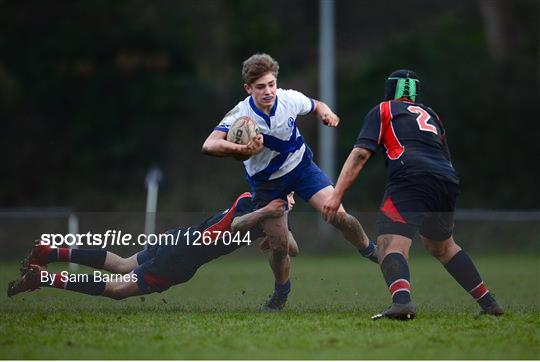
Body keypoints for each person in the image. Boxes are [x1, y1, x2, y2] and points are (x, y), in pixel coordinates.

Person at [322, 69, 504, 320]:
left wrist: (336, 194)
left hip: (411, 177)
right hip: (446, 179)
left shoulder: (383, 109)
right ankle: (489, 302)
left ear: (389, 91)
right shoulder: (431, 114)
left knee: (388, 245)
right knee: (443, 246)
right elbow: (444, 156)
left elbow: (361, 154)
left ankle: (402, 303)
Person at [202, 53, 378, 311]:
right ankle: (281, 293)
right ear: (248, 88)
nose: (268, 91)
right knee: (281, 246)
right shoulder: (241, 114)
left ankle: (370, 250)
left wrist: (327, 113)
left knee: (339, 216)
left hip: (302, 169)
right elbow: (209, 144)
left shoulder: (288, 98)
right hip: (267, 184)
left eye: (271, 84)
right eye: (261, 87)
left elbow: (316, 104)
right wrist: (239, 148)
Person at [7, 193, 297, 300]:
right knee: (116, 289)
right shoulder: (252, 208)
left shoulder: (263, 207)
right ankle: (43, 278)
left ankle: (50, 252)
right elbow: (222, 231)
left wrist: (281, 217)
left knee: (122, 264)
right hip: (181, 257)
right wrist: (268, 214)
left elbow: (290, 247)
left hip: (177, 238)